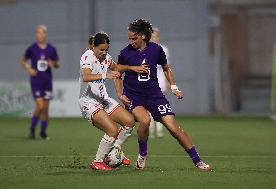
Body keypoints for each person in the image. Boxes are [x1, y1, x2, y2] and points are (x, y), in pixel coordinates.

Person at [115, 19, 211, 171]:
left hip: (154, 94)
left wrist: (174, 86)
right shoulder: (125, 53)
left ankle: (198, 161)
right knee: (145, 121)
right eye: (129, 38)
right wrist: (120, 93)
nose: (131, 41)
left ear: (143, 37)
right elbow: (117, 73)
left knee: (174, 129)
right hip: (134, 95)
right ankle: (142, 155)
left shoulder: (156, 50)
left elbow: (166, 68)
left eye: (134, 38)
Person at [79, 32, 148, 171]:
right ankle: (98, 161)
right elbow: (86, 76)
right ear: (93, 47)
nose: (104, 53)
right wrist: (106, 75)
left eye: (106, 50)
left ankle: (114, 151)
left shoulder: (107, 58)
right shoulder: (87, 56)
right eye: (101, 50)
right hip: (89, 101)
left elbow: (117, 70)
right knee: (112, 130)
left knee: (129, 122)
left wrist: (120, 91)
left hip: (103, 99)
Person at [22, 25, 59, 139]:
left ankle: (43, 132)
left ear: (45, 34)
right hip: (36, 80)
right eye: (38, 33)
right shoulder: (31, 48)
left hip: (47, 81)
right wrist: (29, 69)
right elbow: (23, 61)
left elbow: (57, 64)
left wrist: (52, 64)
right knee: (40, 105)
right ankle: (32, 128)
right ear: (36, 34)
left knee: (46, 108)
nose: (40, 35)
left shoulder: (51, 49)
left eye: (42, 33)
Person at [149, 27, 170, 138]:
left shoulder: (164, 49)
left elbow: (166, 68)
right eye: (152, 37)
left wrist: (168, 82)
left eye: (156, 36)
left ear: (158, 37)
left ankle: (159, 129)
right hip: (148, 83)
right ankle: (151, 130)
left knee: (160, 106)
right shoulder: (143, 49)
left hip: (160, 82)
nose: (154, 39)